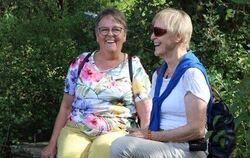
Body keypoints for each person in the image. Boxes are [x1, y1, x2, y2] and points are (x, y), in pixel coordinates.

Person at [41, 8, 151, 158]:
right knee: (69, 154)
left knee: (100, 151)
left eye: (116, 30)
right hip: (77, 128)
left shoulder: (134, 66)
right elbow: (66, 107)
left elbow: (145, 110)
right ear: (97, 35)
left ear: (124, 35)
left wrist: (146, 138)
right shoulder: (80, 62)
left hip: (118, 131)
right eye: (104, 30)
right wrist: (52, 143)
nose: (110, 34)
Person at [111, 8, 210, 158]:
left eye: (158, 31)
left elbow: (197, 129)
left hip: (188, 149)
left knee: (121, 147)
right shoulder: (158, 75)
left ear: (177, 36)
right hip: (162, 144)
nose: (152, 37)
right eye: (152, 31)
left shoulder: (191, 74)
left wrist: (151, 136)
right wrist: (146, 134)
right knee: (122, 140)